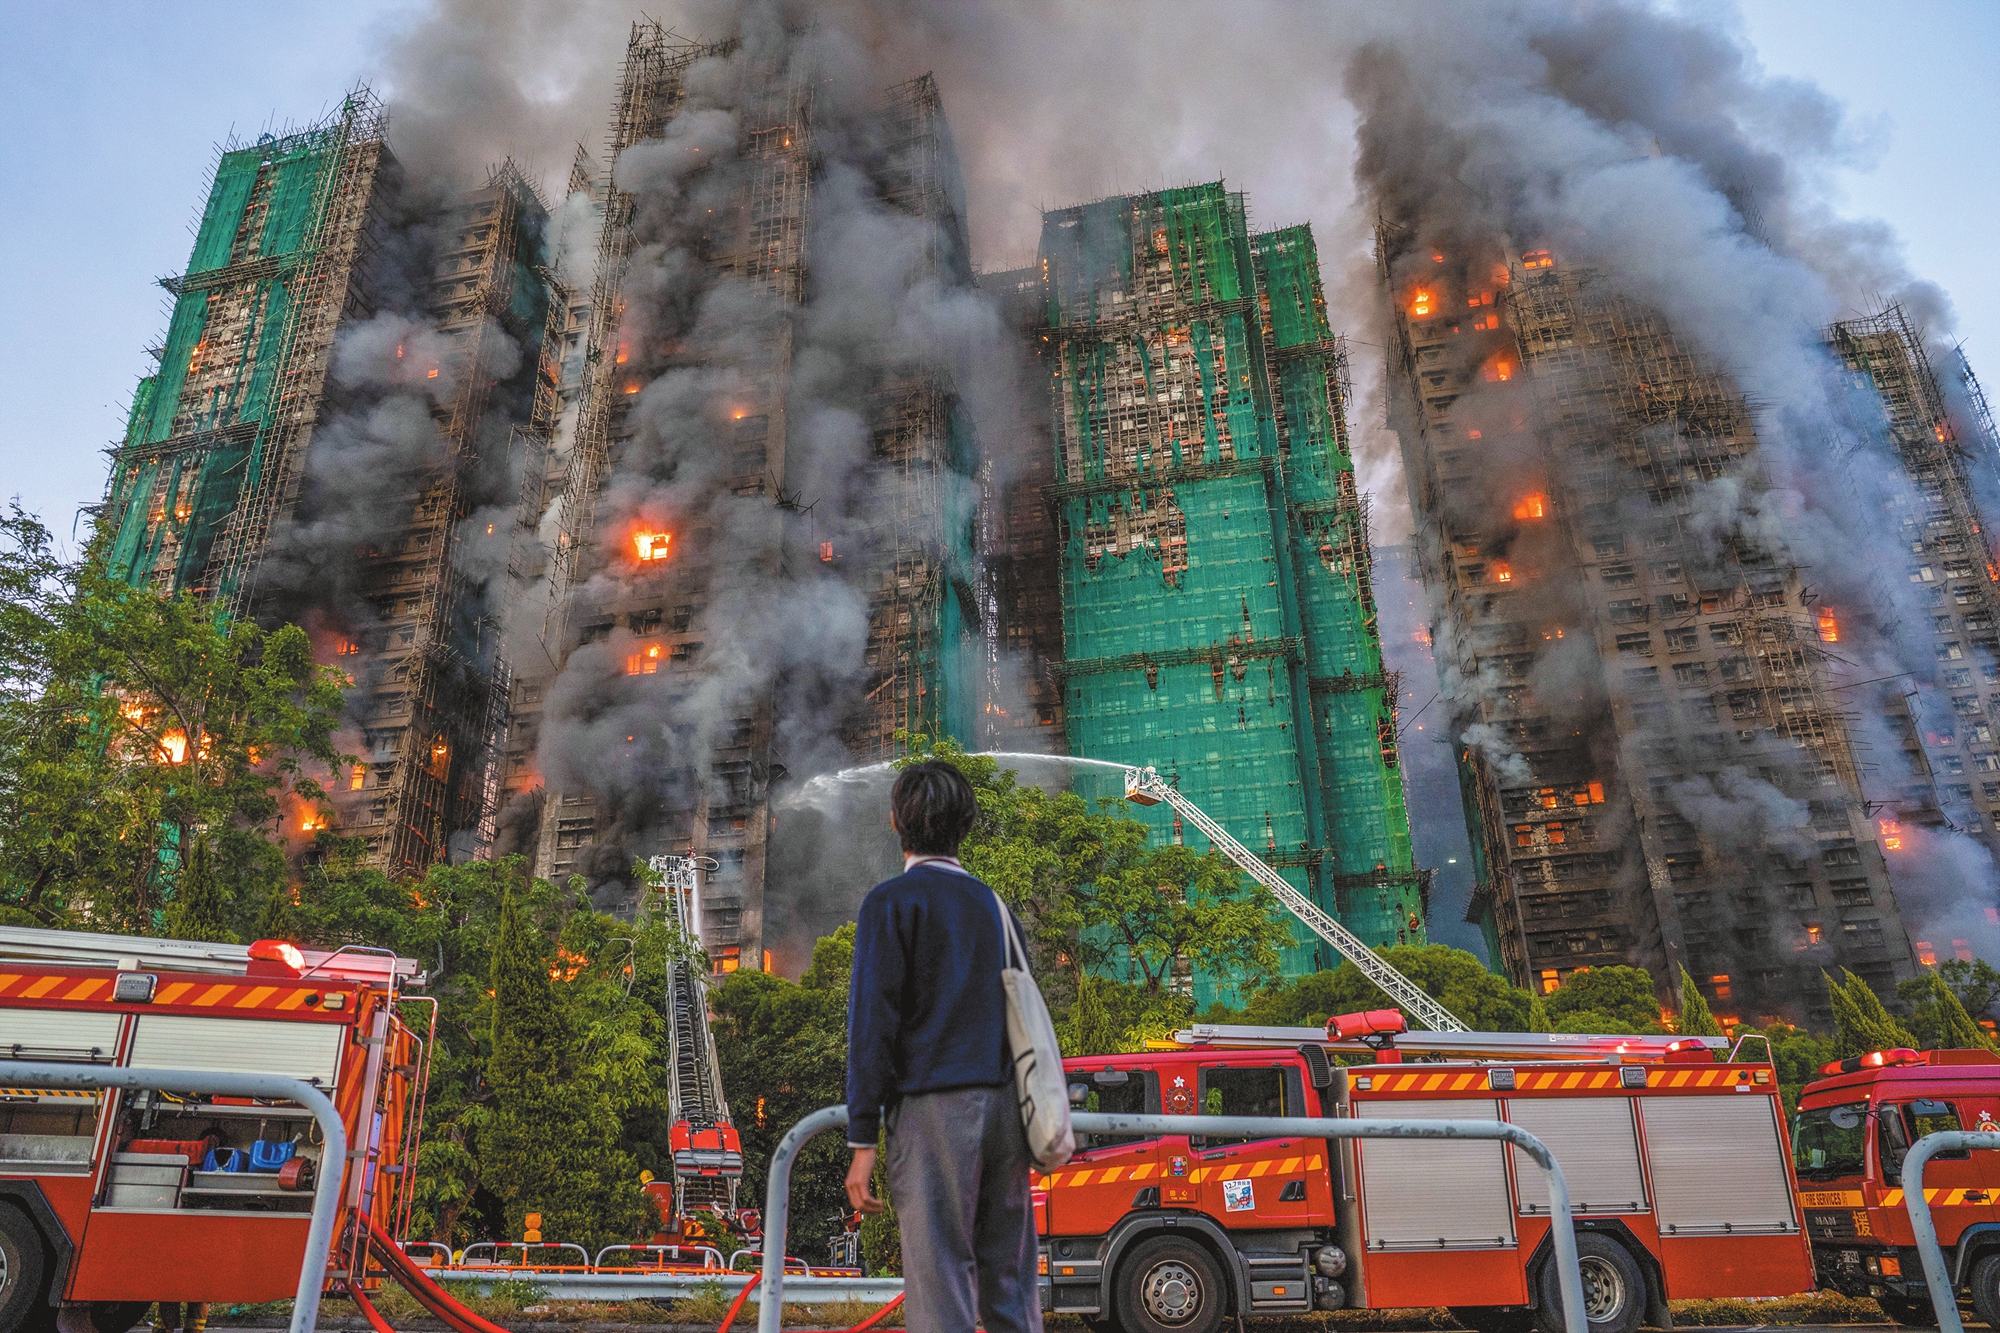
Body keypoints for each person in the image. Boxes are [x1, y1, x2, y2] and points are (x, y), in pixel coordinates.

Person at [845, 760, 1042, 1333]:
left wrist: (863, 1138)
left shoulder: (890, 904)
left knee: (941, 1285)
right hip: (1008, 1114)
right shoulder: (997, 908)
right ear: (968, 824)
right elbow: (1025, 1015)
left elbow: (871, 1028)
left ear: (894, 822)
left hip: (934, 1112)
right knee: (1009, 1282)